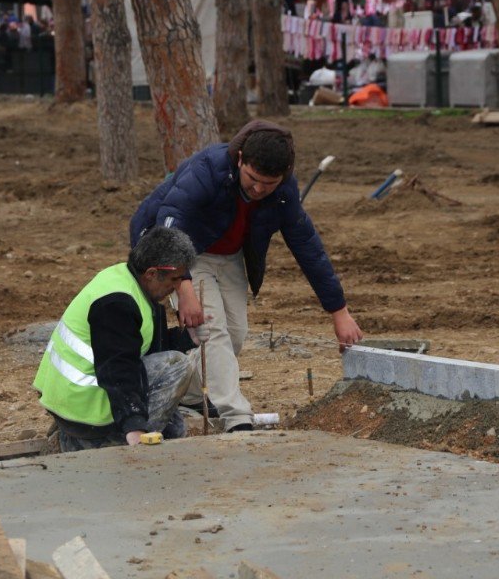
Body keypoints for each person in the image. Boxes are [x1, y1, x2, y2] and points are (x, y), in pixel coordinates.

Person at [129, 121, 363, 433]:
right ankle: (236, 419)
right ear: (240, 159)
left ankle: (189, 393)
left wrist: (339, 311)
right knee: (212, 330)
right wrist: (183, 285)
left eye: (268, 184)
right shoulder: (208, 169)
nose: (258, 189)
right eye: (252, 179)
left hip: (229, 256)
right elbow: (170, 222)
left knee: (236, 333)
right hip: (179, 250)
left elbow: (307, 246)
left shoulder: (283, 192)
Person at [33, 227, 209, 453]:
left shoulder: (129, 281)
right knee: (177, 366)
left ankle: (87, 435)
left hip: (76, 397)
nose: (176, 288)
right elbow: (118, 367)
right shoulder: (117, 303)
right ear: (152, 273)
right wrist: (135, 427)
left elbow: (137, 345)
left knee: (174, 427)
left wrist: (186, 338)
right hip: (83, 404)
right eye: (175, 279)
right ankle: (96, 443)